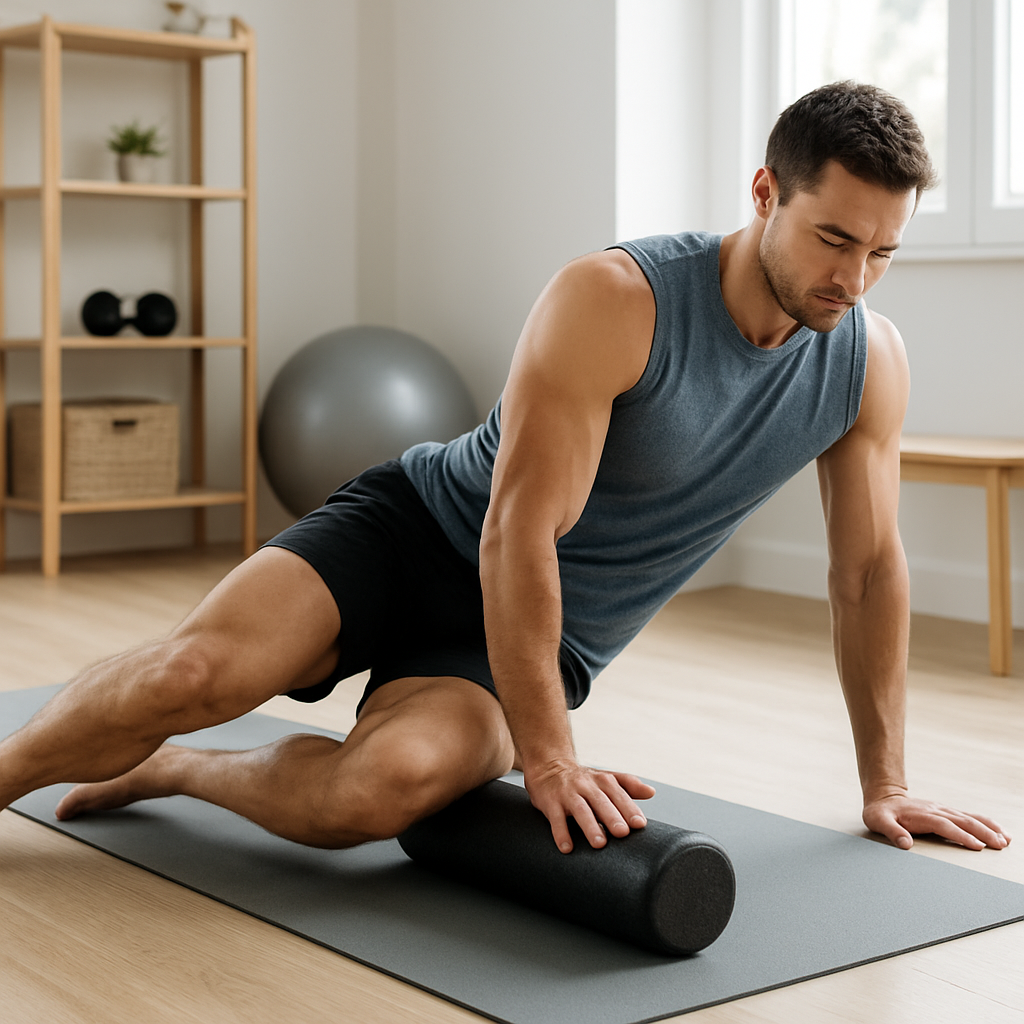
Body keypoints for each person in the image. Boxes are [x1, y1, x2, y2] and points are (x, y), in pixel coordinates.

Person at [0, 82, 1010, 857]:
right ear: (764, 193)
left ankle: (180, 770)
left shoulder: (864, 364)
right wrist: (550, 757)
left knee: (375, 794)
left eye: (883, 253)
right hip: (415, 533)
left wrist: (885, 784)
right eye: (834, 238)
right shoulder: (619, 299)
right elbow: (519, 529)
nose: (853, 278)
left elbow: (867, 572)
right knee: (191, 674)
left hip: (535, 637)